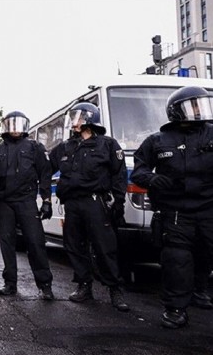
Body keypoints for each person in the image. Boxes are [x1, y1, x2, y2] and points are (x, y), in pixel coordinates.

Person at [130, 86, 213, 328]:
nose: (199, 110)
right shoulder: (157, 140)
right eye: (193, 105)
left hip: (209, 209)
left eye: (201, 104)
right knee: (177, 259)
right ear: (176, 111)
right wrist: (153, 179)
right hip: (176, 211)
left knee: (207, 253)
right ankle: (175, 308)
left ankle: (200, 290)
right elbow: (139, 171)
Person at [49, 102, 130, 312]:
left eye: (79, 117)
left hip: (96, 202)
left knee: (105, 247)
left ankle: (114, 288)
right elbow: (45, 166)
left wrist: (117, 203)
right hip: (73, 204)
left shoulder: (108, 145)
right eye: (73, 118)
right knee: (74, 246)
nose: (74, 122)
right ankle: (84, 285)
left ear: (90, 119)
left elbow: (119, 176)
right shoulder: (65, 147)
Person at [0, 111, 55, 300]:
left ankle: (45, 285)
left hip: (26, 202)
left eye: (19, 124)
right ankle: (10, 284)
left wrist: (47, 201)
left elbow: (45, 175)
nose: (15, 128)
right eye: (11, 124)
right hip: (4, 204)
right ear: (5, 126)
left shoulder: (35, 147)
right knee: (7, 244)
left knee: (35, 242)